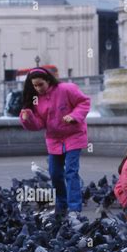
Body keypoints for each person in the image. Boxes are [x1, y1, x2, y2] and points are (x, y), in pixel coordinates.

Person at [19, 67, 91, 224]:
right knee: (54, 173)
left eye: (41, 84)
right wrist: (28, 118)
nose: (38, 88)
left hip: (74, 136)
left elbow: (84, 102)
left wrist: (74, 116)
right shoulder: (36, 99)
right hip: (54, 140)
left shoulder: (66, 89)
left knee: (71, 172)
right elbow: (38, 124)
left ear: (48, 80)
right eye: (35, 86)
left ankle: (74, 208)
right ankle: (62, 204)